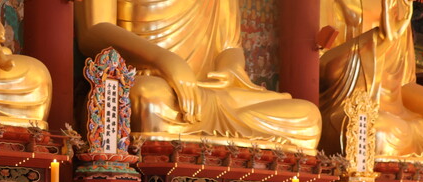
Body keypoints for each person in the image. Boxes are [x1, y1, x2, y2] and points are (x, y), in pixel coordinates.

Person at [75, 0, 321, 147]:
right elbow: (94, 31)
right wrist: (164, 60)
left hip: (210, 94)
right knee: (149, 99)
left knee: (307, 116)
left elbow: (229, 47)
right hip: (150, 84)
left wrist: (230, 69)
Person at [319, 0, 423, 166]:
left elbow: (404, 84)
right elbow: (320, 69)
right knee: (375, 131)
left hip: (400, 119)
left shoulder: (399, 6)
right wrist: (377, 40)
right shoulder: (325, 4)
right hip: (346, 110)